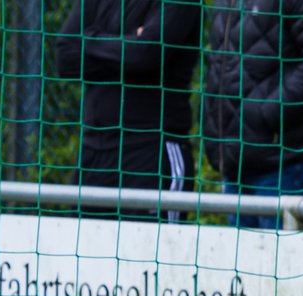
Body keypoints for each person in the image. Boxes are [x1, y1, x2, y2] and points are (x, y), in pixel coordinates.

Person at [201, 0, 303, 229]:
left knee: (284, 263)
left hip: (283, 165)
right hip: (234, 165)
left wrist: (265, 115)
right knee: (239, 263)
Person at [54, 0, 202, 221]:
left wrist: (90, 38)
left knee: (151, 252)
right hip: (94, 154)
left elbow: (145, 54)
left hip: (151, 153)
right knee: (84, 251)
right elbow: (65, 59)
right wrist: (128, 44)